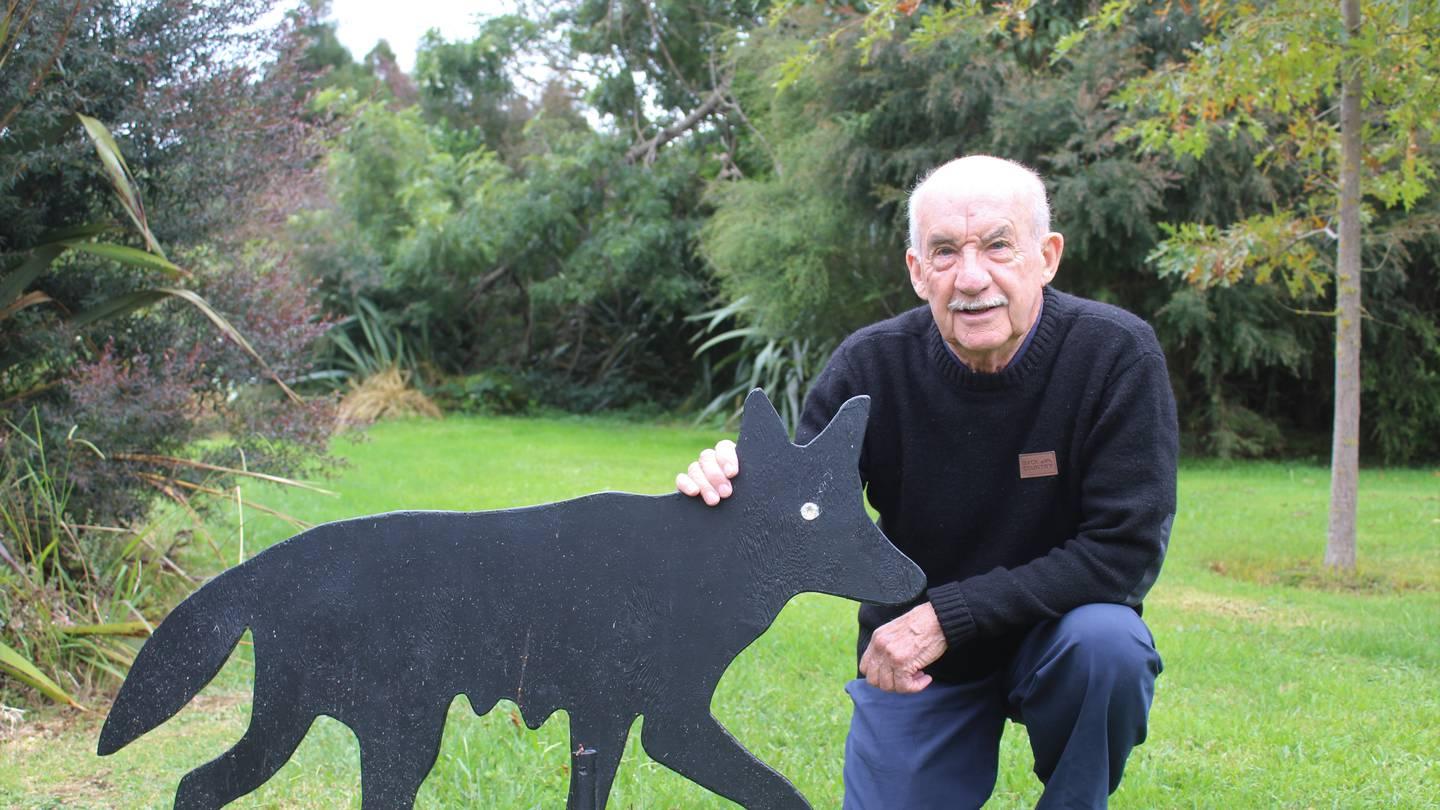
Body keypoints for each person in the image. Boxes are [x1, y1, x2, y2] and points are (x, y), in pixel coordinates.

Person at [676, 155, 1178, 809]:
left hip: (1056, 635)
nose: (972, 278)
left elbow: (1124, 550)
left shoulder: (1116, 355)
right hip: (916, 662)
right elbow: (794, 505)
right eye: (944, 252)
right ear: (917, 272)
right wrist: (727, 485)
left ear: (1046, 257)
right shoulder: (870, 366)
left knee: (1108, 647)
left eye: (999, 245)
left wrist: (950, 614)